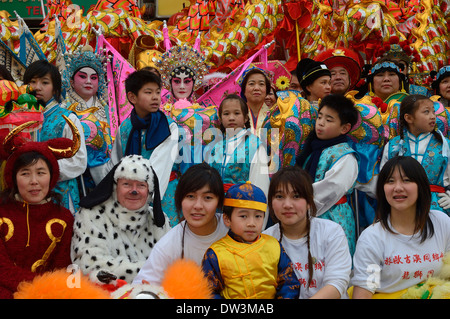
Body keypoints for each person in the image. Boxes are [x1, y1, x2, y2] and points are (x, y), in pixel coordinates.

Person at [0, 119, 80, 298]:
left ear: (52, 177)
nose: (34, 181)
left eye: (41, 173)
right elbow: (2, 269)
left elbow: (62, 269)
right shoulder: (2, 213)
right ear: (13, 178)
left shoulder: (64, 218)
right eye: (25, 173)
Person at [351, 156, 450, 299]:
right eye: (390, 181)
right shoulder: (372, 238)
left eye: (406, 180)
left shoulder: (441, 222)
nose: (397, 188)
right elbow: (364, 292)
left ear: (420, 186)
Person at [71, 155, 170, 284]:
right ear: (115, 187)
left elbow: (173, 262)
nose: (134, 191)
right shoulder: (90, 216)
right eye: (127, 184)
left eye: (141, 185)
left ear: (149, 191)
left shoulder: (159, 221)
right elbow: (91, 266)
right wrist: (153, 272)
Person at [132, 163, 228, 286]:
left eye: (207, 197)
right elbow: (140, 287)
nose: (198, 206)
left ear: (219, 201)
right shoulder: (169, 245)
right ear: (180, 200)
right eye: (190, 196)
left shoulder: (232, 230)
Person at [263, 166, 352, 299]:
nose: (287, 204)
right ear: (270, 202)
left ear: (309, 201)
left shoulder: (331, 232)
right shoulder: (265, 240)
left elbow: (337, 283)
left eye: (296, 196)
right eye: (279, 196)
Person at [90, 69, 178, 201]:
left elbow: (160, 168)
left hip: (160, 196)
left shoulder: (168, 127)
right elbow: (115, 165)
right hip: (130, 197)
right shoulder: (126, 127)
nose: (155, 97)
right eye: (148, 92)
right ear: (132, 97)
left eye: (158, 92)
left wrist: (143, 199)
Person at [202, 181, 300, 299]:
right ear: (227, 219)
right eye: (243, 216)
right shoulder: (216, 253)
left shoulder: (273, 246)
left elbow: (289, 283)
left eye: (258, 216)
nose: (251, 223)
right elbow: (209, 292)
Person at [296, 94, 359, 255]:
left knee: (332, 259)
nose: (321, 123)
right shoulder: (313, 149)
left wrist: (302, 203)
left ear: (344, 128)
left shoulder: (345, 156)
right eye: (320, 117)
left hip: (333, 215)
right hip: (308, 212)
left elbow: (332, 187)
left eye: (329, 120)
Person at [23, 60, 87, 213]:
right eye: (32, 82)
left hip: (60, 192)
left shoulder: (67, 119)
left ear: (55, 89)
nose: (37, 87)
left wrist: (42, 172)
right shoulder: (20, 118)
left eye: (45, 82)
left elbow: (79, 160)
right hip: (27, 193)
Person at [204, 94, 270, 226]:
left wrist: (257, 223)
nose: (231, 118)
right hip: (216, 210)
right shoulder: (215, 146)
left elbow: (260, 186)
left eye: (237, 113)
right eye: (226, 114)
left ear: (245, 117)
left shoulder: (254, 145)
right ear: (220, 118)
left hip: (243, 208)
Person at [380, 94, 450, 216]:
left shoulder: (445, 145)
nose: (433, 116)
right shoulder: (393, 146)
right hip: (401, 206)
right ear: (409, 118)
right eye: (426, 112)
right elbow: (384, 179)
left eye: (433, 112)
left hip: (436, 207)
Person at [62, 44, 112, 195]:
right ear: (71, 82)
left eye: (94, 77)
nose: (89, 81)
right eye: (82, 76)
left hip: (108, 174)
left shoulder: (110, 110)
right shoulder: (64, 110)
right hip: (75, 178)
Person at [238, 65, 272, 136]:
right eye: (251, 84)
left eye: (261, 84)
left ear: (266, 90)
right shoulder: (235, 116)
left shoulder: (274, 116)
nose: (256, 88)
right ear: (244, 90)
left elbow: (275, 146)